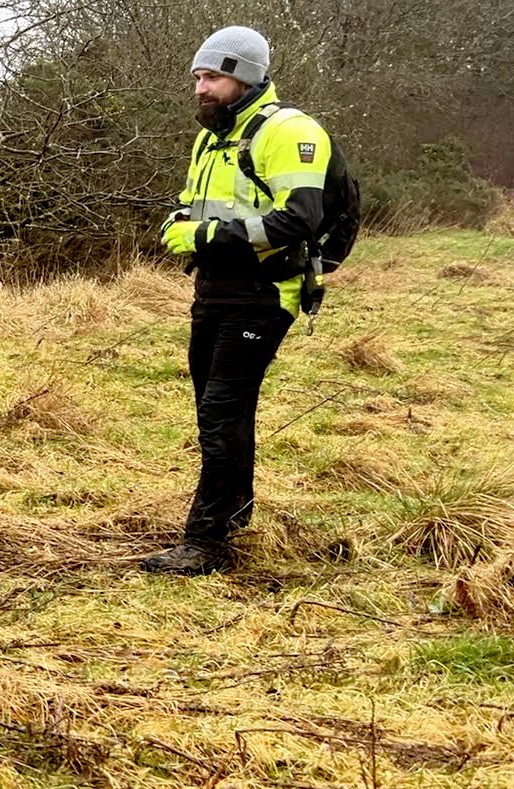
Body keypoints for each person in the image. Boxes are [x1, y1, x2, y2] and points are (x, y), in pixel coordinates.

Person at [144, 26, 332, 575]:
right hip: (214, 289)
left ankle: (206, 542)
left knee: (221, 411)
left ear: (245, 76)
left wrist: (204, 239)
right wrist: (179, 221)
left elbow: (300, 217)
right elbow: (198, 204)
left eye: (213, 76)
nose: (201, 87)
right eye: (198, 77)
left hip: (265, 293)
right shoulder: (212, 135)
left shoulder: (287, 130)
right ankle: (235, 513)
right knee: (216, 406)